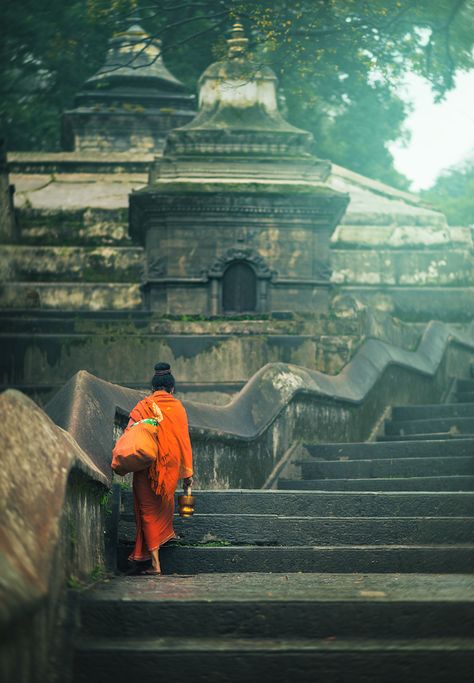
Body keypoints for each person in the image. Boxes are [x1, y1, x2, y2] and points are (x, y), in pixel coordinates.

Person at [126, 362, 193, 575]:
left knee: (147, 511)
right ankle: (156, 554)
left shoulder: (143, 406)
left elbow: (130, 433)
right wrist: (187, 474)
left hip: (147, 464)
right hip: (169, 469)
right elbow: (184, 441)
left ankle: (155, 563)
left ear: (153, 388)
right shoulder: (178, 408)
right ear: (172, 389)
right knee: (162, 505)